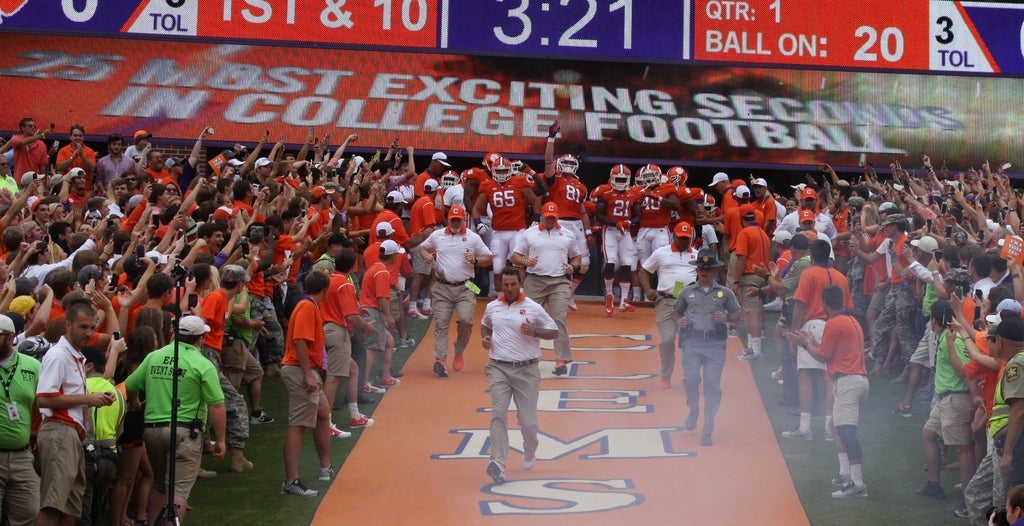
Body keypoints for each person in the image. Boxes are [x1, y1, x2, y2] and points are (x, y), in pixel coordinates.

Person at [125, 315, 226, 525]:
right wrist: (222, 440)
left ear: (174, 334)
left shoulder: (154, 356)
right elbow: (216, 404)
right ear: (200, 339)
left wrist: (134, 402)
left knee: (159, 485)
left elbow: (130, 384)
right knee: (178, 490)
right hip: (184, 432)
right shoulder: (203, 364)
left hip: (153, 431)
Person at [35, 298, 117, 526]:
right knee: (53, 504)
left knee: (72, 505)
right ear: (68, 325)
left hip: (71, 434)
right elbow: (43, 399)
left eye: (92, 327)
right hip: (59, 432)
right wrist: (88, 399)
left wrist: (90, 401)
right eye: (83, 327)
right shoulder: (58, 355)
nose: (89, 333)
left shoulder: (75, 356)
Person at [787, 285, 869, 498]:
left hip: (848, 382)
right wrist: (811, 342)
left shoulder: (834, 323)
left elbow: (822, 357)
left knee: (846, 432)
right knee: (835, 425)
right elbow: (828, 352)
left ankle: (858, 484)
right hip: (857, 380)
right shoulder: (851, 321)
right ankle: (845, 473)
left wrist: (804, 344)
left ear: (824, 303)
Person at [480, 267, 558, 484]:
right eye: (505, 285)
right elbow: (485, 325)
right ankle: (498, 463)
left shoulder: (533, 308)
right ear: (501, 285)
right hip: (498, 368)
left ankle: (530, 448)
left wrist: (535, 332)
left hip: (527, 370)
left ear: (520, 283)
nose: (510, 288)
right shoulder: (492, 307)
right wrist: (486, 339)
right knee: (498, 413)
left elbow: (554, 331)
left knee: (528, 422)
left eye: (513, 284)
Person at [672, 248, 741, 446]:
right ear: (697, 270)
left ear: (715, 271)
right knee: (691, 379)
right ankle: (693, 408)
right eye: (702, 268)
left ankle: (708, 426)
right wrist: (680, 321)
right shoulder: (686, 291)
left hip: (715, 344)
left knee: (712, 384)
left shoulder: (725, 293)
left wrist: (727, 318)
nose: (704, 272)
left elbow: (738, 314)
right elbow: (676, 312)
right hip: (692, 342)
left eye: (709, 269)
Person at [784, 239, 851, 441]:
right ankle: (830, 428)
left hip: (812, 326)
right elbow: (849, 308)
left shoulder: (809, 274)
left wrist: (794, 333)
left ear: (812, 256)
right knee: (829, 378)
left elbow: (800, 305)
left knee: (805, 375)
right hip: (837, 325)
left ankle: (805, 429)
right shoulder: (841, 276)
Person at [418, 205, 493, 377]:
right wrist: (426, 255)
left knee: (466, 320)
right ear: (448, 219)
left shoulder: (472, 238)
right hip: (442, 287)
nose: (455, 223)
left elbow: (488, 258)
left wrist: (475, 260)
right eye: (453, 220)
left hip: (467, 286)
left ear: (463, 220)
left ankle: (459, 350)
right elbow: (422, 247)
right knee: (441, 323)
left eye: (458, 220)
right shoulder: (437, 235)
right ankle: (440, 359)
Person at [917, 300, 976, 514]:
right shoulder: (945, 337)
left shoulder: (955, 340)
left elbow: (965, 372)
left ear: (934, 320)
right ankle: (934, 484)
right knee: (928, 434)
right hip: (944, 399)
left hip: (955, 400)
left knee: (963, 449)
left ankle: (968, 499)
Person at [511, 202, 581, 376]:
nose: (550, 220)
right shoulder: (530, 233)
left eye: (553, 218)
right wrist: (526, 262)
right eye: (547, 217)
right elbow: (515, 256)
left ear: (557, 217)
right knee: (528, 319)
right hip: (535, 280)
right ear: (542, 215)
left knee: (559, 318)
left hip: (559, 282)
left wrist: (573, 267)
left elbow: (577, 257)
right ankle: (525, 357)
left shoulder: (567, 234)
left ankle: (561, 359)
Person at [280, 271, 333, 497]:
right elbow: (299, 340)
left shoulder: (309, 305)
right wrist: (308, 375)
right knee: (298, 424)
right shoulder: (307, 307)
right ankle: (291, 481)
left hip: (307, 370)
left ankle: (325, 467)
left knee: (323, 413)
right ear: (325, 290)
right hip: (300, 371)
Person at [199, 264, 255, 473]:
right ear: (239, 284)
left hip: (211, 356)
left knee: (205, 406)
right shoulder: (216, 298)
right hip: (206, 355)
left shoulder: (222, 298)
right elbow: (201, 325)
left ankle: (216, 452)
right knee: (236, 404)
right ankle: (237, 456)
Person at [639, 221, 698, 389]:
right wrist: (648, 290)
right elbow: (644, 271)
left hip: (688, 303)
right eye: (681, 238)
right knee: (667, 340)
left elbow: (705, 276)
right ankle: (666, 375)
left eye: (687, 239)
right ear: (673, 236)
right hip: (666, 301)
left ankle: (690, 375)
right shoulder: (661, 253)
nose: (684, 242)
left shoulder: (697, 255)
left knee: (689, 341)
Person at [0, 314, 41, 526]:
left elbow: (45, 403)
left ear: (10, 338)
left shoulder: (32, 366)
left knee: (31, 510)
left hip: (22, 455)